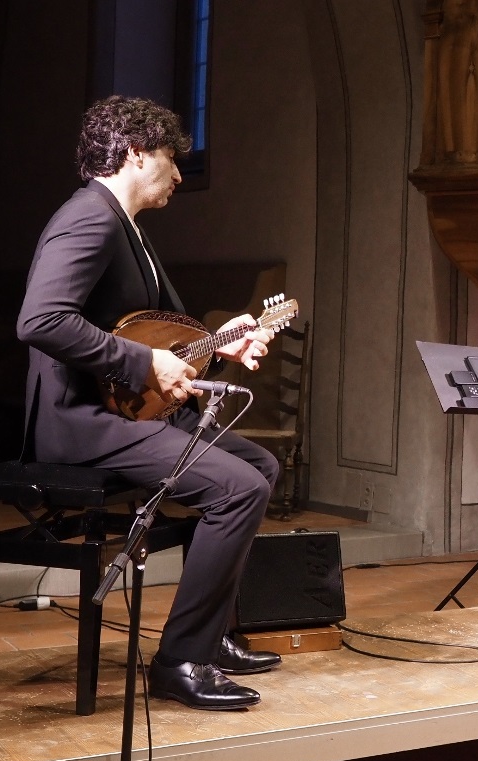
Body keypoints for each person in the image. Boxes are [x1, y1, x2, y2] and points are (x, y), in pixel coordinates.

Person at [17, 95, 283, 709]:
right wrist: (145, 363)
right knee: (237, 488)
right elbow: (40, 320)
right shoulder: (90, 217)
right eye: (170, 158)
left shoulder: (128, 226)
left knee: (260, 468)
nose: (180, 173)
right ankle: (181, 660)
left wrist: (222, 347)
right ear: (136, 154)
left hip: (121, 411)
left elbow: (153, 336)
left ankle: (210, 637)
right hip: (78, 421)